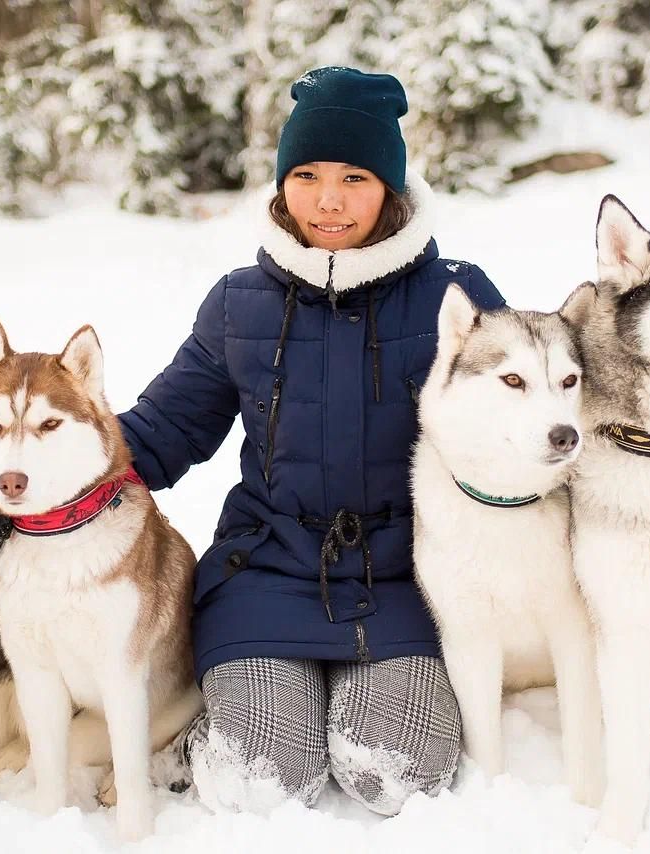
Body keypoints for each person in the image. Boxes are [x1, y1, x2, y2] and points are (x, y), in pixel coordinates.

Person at [118, 67, 506, 816]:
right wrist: (35, 467)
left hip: (411, 581)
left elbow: (525, 424)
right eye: (306, 175)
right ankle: (220, 722)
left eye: (355, 176)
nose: (328, 200)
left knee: (397, 775)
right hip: (265, 570)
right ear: (280, 184)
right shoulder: (240, 302)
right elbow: (162, 433)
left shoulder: (456, 297)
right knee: (263, 781)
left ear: (391, 188)